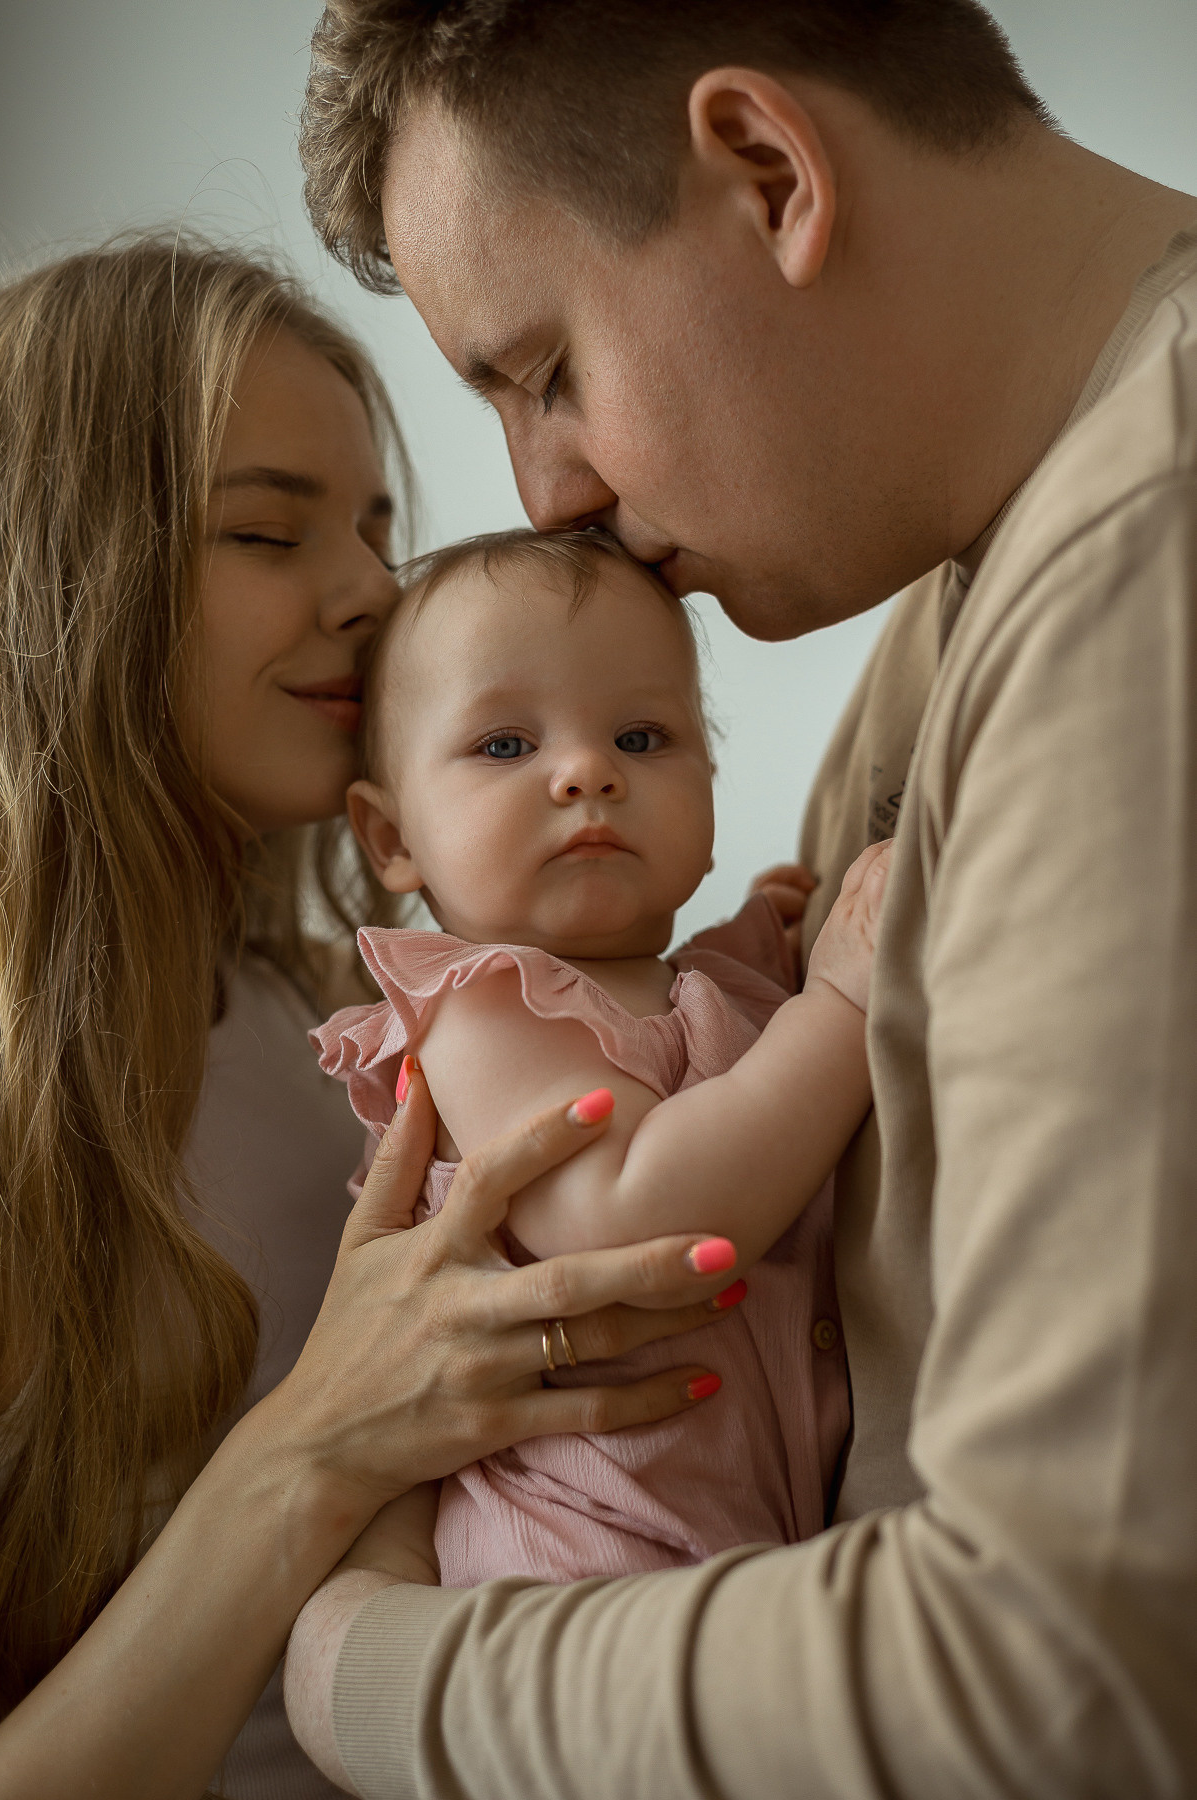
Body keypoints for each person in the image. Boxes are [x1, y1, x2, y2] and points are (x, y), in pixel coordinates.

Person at [285, 1, 1197, 1795]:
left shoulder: (1136, 588)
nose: (548, 494)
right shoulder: (979, 582)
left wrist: (359, 1662)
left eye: (541, 368)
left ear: (767, 172)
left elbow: (1053, 1680)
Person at [0, 235, 741, 1800]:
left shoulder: (332, 1015)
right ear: (60, 571)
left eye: (374, 525)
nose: (365, 590)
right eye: (268, 532)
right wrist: (319, 1443)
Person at [311, 524, 889, 1587]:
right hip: (572, 1567)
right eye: (503, 746)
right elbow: (640, 1214)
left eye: (639, 738)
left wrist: (763, 941)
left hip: (741, 1544)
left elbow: (681, 1037)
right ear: (390, 839)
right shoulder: (476, 1010)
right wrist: (840, 1004)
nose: (585, 773)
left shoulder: (709, 983)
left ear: (707, 792)